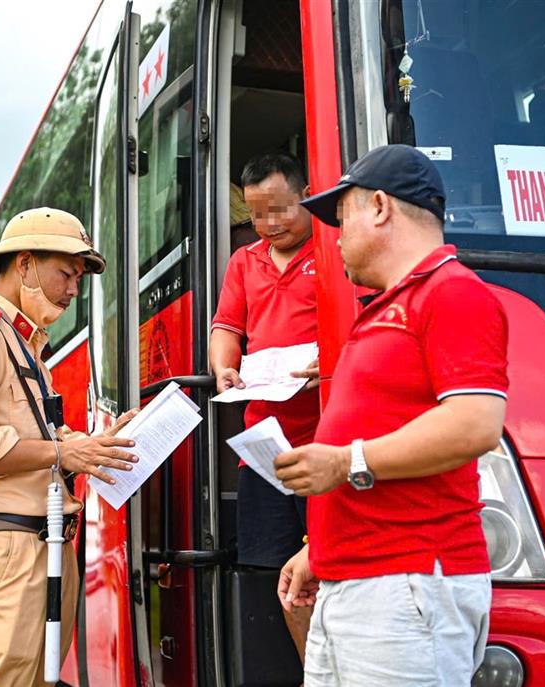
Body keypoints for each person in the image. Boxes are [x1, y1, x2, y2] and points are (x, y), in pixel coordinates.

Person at [275, 145, 508, 686]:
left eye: (342, 217)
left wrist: (344, 463)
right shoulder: (388, 306)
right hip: (364, 585)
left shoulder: (451, 294)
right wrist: (322, 552)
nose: (335, 236)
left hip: (405, 588)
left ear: (380, 206)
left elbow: (475, 423)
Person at [0, 207, 139, 686]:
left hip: (39, 550)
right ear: (23, 264)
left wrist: (90, 445)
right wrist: (64, 454)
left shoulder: (22, 344)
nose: (73, 290)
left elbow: (36, 436)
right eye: (66, 273)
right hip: (7, 554)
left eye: (78, 277)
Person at [210, 151, 320, 662]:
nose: (268, 224)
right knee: (275, 573)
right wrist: (225, 368)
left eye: (279, 209)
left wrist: (330, 362)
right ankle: (311, 671)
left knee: (328, 569)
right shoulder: (244, 261)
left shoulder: (334, 248)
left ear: (307, 194)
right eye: (256, 213)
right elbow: (227, 327)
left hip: (325, 445)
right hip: (264, 450)